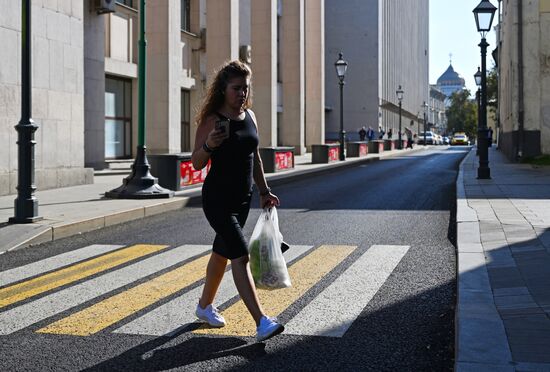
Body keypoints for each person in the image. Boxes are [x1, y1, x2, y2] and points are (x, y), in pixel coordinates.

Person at [191, 60, 284, 342]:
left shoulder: (250, 117)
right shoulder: (211, 119)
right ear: (223, 88)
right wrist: (210, 144)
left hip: (242, 201)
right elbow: (196, 162)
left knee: (221, 254)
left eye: (245, 88)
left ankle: (204, 307)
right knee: (240, 257)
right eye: (236, 88)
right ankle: (261, 321)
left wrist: (265, 191)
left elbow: (254, 158)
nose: (242, 93)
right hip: (217, 199)